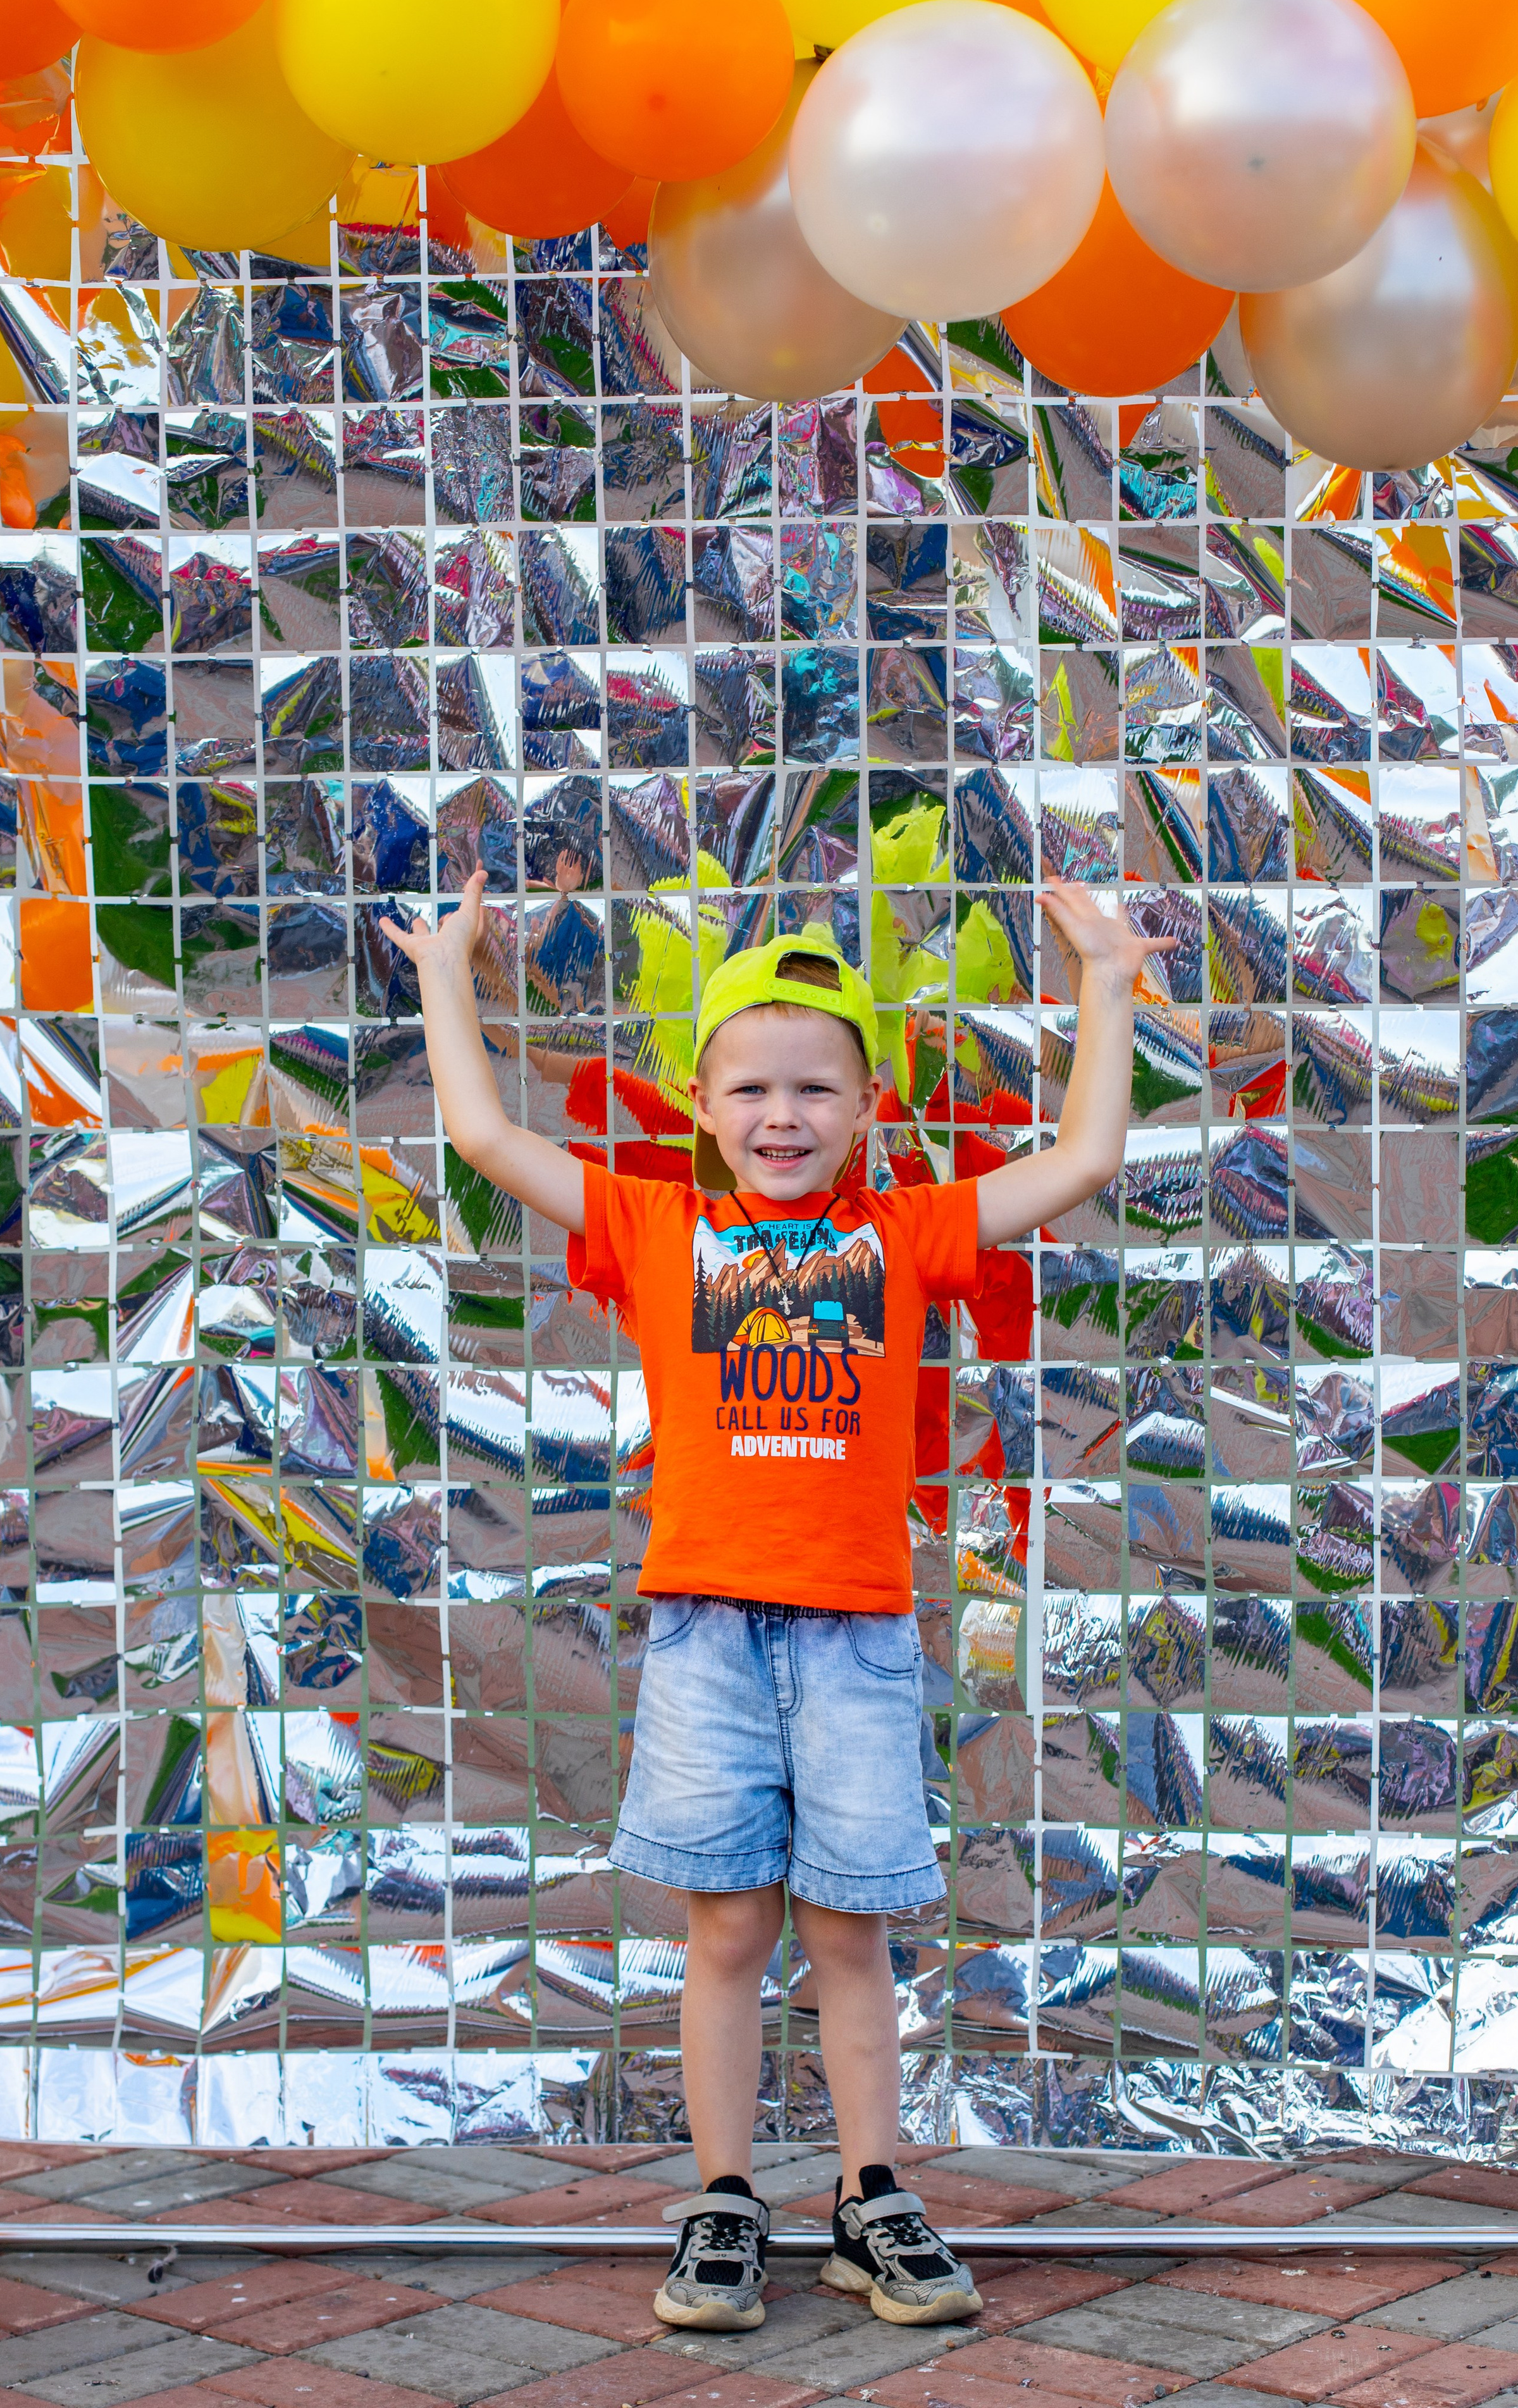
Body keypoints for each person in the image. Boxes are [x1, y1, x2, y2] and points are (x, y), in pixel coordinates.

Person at [381, 878, 1172, 2334]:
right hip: (707, 1639)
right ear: (700, 1103)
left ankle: (872, 2199)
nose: (782, 1113)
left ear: (868, 1109)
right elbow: (486, 1137)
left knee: (851, 1936)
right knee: (730, 1933)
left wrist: (1107, 981)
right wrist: (446, 976)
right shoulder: (656, 1227)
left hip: (857, 1637)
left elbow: (1084, 1155)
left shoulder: (907, 1233)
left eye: (815, 1087)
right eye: (749, 1086)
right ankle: (725, 2200)